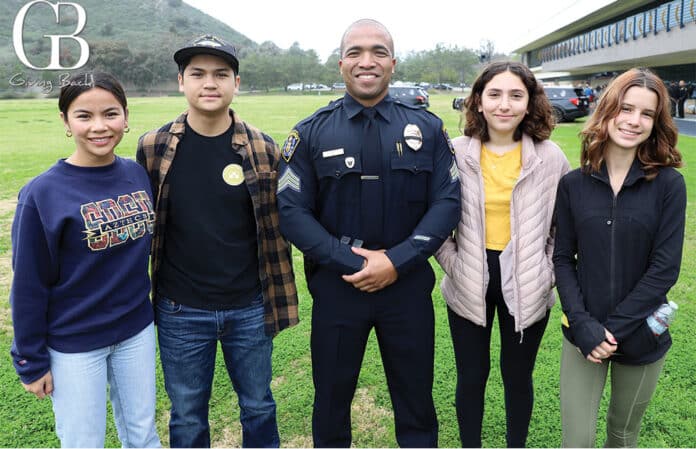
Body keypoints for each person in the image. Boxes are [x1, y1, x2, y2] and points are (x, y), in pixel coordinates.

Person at [277, 18, 460, 448]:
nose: (367, 61)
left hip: (408, 289)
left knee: (416, 404)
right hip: (339, 289)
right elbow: (292, 212)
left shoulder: (428, 128)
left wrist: (396, 261)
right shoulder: (309, 133)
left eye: (378, 52)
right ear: (340, 64)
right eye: (356, 52)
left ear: (393, 63)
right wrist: (356, 263)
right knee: (331, 404)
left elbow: (448, 202)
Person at [136, 35, 298, 448]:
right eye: (198, 74)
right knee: (188, 413)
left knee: (259, 405)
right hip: (180, 308)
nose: (210, 83)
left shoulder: (263, 148)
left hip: (249, 305)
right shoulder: (154, 147)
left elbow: (284, 220)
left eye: (221, 74)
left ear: (236, 83)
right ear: (181, 82)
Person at [9, 71, 160, 448]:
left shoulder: (136, 174)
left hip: (135, 331)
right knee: (83, 442)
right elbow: (28, 283)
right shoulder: (42, 193)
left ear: (126, 117)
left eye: (110, 114)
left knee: (142, 435)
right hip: (75, 343)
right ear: (65, 121)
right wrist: (30, 359)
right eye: (84, 116)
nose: (99, 127)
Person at [434, 61, 570, 448]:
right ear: (478, 101)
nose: (504, 105)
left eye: (515, 95)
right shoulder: (455, 153)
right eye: (494, 94)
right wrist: (456, 266)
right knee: (471, 376)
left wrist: (545, 272)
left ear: (529, 104)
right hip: (469, 278)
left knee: (517, 376)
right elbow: (435, 224)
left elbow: (563, 230)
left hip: (529, 281)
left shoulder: (551, 158)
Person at [553, 67, 686, 448]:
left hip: (642, 334)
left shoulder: (668, 185)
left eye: (646, 114)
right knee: (576, 440)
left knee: (623, 434)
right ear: (608, 109)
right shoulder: (573, 184)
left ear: (656, 122)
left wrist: (615, 328)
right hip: (583, 333)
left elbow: (665, 269)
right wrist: (584, 325)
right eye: (626, 108)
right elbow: (563, 259)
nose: (633, 121)